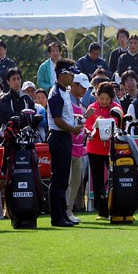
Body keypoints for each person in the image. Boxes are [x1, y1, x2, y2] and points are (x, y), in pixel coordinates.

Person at [47, 59, 84, 227]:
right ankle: (57, 217)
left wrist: (75, 121)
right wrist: (73, 129)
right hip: (59, 137)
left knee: (63, 179)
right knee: (59, 179)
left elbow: (65, 116)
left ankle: (62, 214)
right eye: (70, 74)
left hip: (64, 137)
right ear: (62, 75)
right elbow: (57, 120)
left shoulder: (63, 91)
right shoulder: (55, 93)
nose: (73, 78)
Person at [84, 82, 122, 220]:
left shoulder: (117, 109)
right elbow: (86, 127)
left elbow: (120, 125)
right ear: (97, 97)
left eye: (107, 99)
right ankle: (102, 211)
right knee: (98, 180)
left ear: (112, 98)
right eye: (101, 98)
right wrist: (90, 132)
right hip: (94, 149)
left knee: (115, 179)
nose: (104, 101)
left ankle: (117, 207)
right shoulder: (91, 108)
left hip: (112, 148)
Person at [66, 73, 90, 223]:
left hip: (78, 149)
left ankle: (68, 210)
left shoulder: (80, 104)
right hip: (67, 148)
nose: (85, 91)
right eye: (82, 87)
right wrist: (85, 117)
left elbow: (79, 125)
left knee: (76, 180)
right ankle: (64, 211)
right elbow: (67, 121)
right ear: (74, 85)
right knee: (67, 181)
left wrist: (85, 130)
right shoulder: (67, 101)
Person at [0, 68, 36, 134]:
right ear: (8, 82)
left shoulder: (27, 99)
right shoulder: (4, 99)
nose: (17, 82)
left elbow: (33, 114)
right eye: (14, 79)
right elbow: (9, 118)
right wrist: (23, 115)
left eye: (18, 79)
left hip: (27, 133)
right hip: (9, 134)